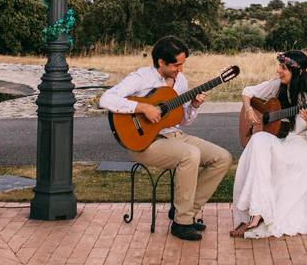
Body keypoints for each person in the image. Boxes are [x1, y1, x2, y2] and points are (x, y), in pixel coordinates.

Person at [99, 35, 232, 241]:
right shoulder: (142, 78)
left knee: (223, 157)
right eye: (176, 65)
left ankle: (183, 210)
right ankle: (182, 223)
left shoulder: (181, 81)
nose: (181, 69)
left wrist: (194, 106)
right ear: (161, 62)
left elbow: (182, 119)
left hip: (175, 135)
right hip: (145, 143)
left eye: (183, 64)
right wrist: (143, 107)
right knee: (190, 155)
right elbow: (106, 99)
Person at [231, 50, 307, 239]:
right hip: (284, 142)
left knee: (261, 147)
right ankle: (258, 210)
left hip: (304, 148)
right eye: (279, 66)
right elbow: (248, 91)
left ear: (296, 71)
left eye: (283, 68)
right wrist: (249, 110)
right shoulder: (279, 85)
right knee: (258, 140)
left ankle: (257, 214)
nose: (278, 71)